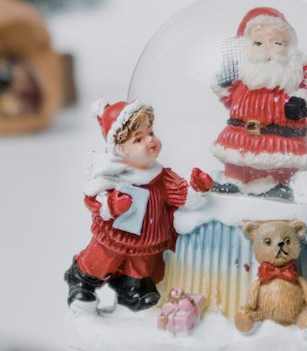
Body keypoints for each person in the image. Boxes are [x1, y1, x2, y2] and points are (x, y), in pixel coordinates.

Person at [65, 99, 209, 311]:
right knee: (102, 258)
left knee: (142, 264)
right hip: (116, 235)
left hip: (146, 237)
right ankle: (82, 280)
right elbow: (93, 198)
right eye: (139, 139)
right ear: (121, 147)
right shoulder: (114, 177)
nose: (150, 140)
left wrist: (196, 187)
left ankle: (132, 288)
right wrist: (112, 205)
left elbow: (180, 195)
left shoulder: (161, 176)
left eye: (150, 133)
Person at [209, 6, 307, 194]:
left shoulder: (296, 72)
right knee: (237, 163)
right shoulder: (244, 73)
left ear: (288, 47)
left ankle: (277, 185)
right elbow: (229, 99)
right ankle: (235, 182)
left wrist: (303, 105)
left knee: (278, 165)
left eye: (276, 43)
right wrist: (225, 82)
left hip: (280, 138)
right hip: (241, 135)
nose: (267, 49)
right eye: (258, 43)